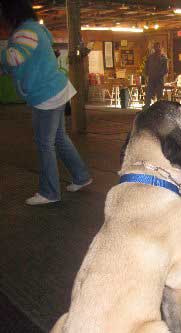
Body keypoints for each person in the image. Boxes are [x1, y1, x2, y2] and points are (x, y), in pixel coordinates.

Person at [0, 0, 92, 205]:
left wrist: (3, 59)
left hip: (46, 94)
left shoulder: (25, 32)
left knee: (45, 143)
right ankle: (81, 176)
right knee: (58, 138)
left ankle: (49, 192)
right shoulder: (35, 30)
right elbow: (22, 62)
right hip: (54, 90)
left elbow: (13, 57)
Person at [144, 42, 168, 108]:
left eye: (158, 47)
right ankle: (146, 107)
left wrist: (160, 74)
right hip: (151, 78)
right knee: (148, 94)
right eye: (156, 47)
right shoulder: (150, 57)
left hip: (159, 79)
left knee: (159, 95)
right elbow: (146, 67)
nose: (157, 48)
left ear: (161, 48)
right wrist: (146, 75)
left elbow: (165, 70)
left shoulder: (164, 58)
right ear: (154, 48)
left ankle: (159, 108)